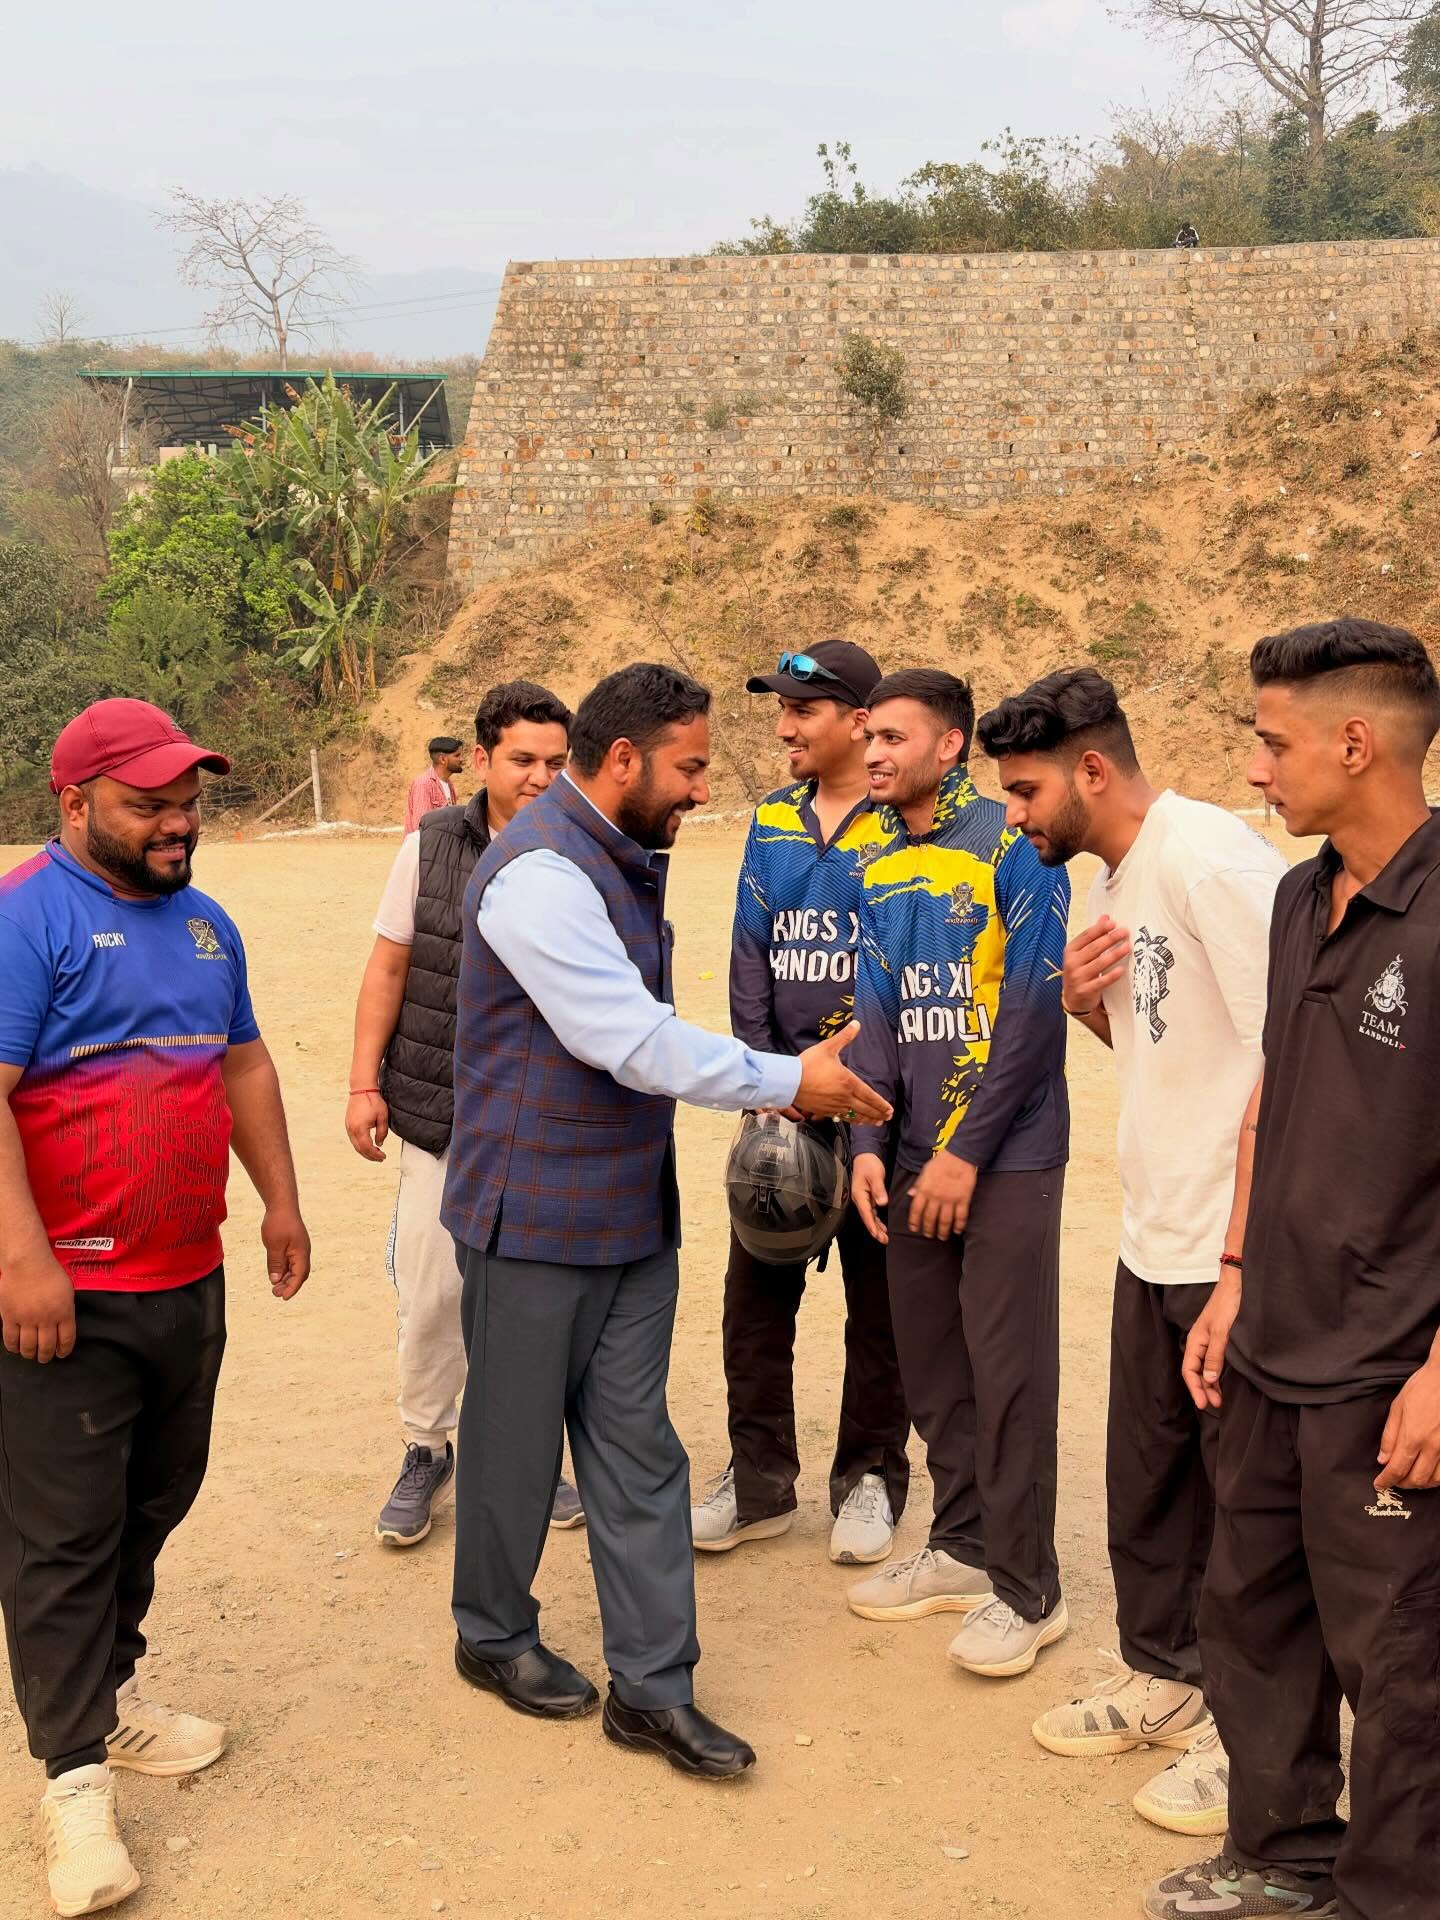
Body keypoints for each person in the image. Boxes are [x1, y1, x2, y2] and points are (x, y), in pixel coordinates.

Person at [440, 662, 890, 1779]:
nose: (701, 789)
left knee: (639, 1448)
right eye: (689, 768)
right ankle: (491, 1633)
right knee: (512, 1441)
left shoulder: (619, 852)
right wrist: (790, 1080)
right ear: (625, 760)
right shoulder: (538, 874)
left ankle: (652, 1688)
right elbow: (627, 1039)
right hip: (531, 1212)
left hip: (628, 1212)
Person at [1141, 618, 1440, 1920]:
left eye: (1272, 743)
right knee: (1252, 1613)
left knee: (1402, 1668)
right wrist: (1235, 1272)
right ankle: (1282, 1856)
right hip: (1273, 1338)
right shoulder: (1293, 897)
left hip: (1389, 1365)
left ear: (1355, 742)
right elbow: (1276, 1087)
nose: (1255, 770)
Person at [0, 698, 310, 1920]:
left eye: (188, 802)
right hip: (65, 1297)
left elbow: (243, 1063)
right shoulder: (27, 919)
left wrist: (280, 1202)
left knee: (154, 1499)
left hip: (186, 1275)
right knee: (64, 1536)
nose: (178, 822)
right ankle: (72, 1781)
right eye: (149, 806)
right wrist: (23, 1260)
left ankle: (110, 1694)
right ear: (77, 803)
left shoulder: (206, 927)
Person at [977, 667, 1284, 1838]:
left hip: (1231, 1240)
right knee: (1150, 1481)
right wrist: (1083, 1008)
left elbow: (1292, 1057)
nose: (1013, 815)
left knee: (1246, 1505)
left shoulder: (1210, 861)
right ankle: (1165, 1675)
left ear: (1092, 771)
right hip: (1155, 1229)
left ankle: (1253, 1740)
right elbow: (1167, 1045)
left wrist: (1246, 1257)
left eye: (1024, 792)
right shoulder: (1106, 880)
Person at [844, 668, 1072, 1679]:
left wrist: (965, 1154)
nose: (874, 752)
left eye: (894, 737)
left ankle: (1030, 1592)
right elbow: (877, 1015)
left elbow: (1032, 1012)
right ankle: (963, 1547)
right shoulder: (878, 861)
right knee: (935, 1370)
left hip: (1006, 1155)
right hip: (908, 1156)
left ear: (949, 746)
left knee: (1008, 1375)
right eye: (869, 737)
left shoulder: (1014, 846)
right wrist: (865, 1145)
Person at [347, 681, 583, 1546]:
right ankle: (426, 1446)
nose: (541, 777)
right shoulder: (431, 845)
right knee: (435, 1291)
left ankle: (526, 1454)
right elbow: (389, 966)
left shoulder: (583, 846)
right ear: (480, 760)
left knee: (528, 1299)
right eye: (523, 759)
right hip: (440, 1109)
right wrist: (363, 1084)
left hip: (542, 1115)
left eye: (557, 762)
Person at [691, 639, 910, 1564]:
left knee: (881, 1307)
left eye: (802, 711)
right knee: (752, 1307)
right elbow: (750, 949)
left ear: (859, 722)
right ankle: (758, 1482)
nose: (784, 727)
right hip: (780, 1100)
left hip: (874, 1103)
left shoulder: (903, 826)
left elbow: (904, 968)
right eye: (781, 709)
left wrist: (863, 1088)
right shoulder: (774, 819)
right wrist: (767, 1081)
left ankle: (870, 1479)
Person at [405, 736, 465, 833]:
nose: (461, 759)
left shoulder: (449, 784)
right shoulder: (423, 784)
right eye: (457, 755)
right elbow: (421, 828)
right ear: (443, 759)